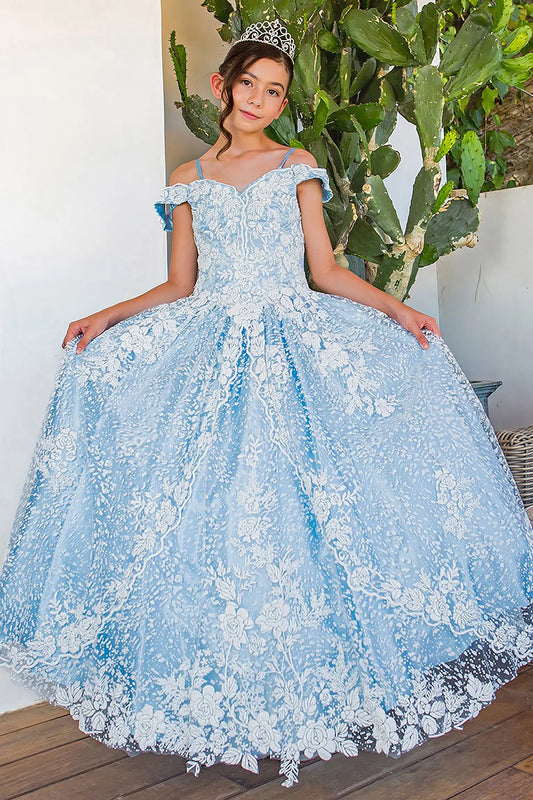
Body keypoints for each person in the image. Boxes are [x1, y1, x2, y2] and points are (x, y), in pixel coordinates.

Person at [0, 18, 532, 791]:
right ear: (221, 85)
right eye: (247, 83)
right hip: (211, 343)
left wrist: (398, 310)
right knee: (211, 509)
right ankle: (231, 685)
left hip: (293, 337)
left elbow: (324, 270)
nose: (259, 98)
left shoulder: (296, 164)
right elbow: (180, 284)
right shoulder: (186, 179)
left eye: (274, 90)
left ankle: (321, 674)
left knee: (308, 503)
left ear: (283, 102)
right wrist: (108, 315)